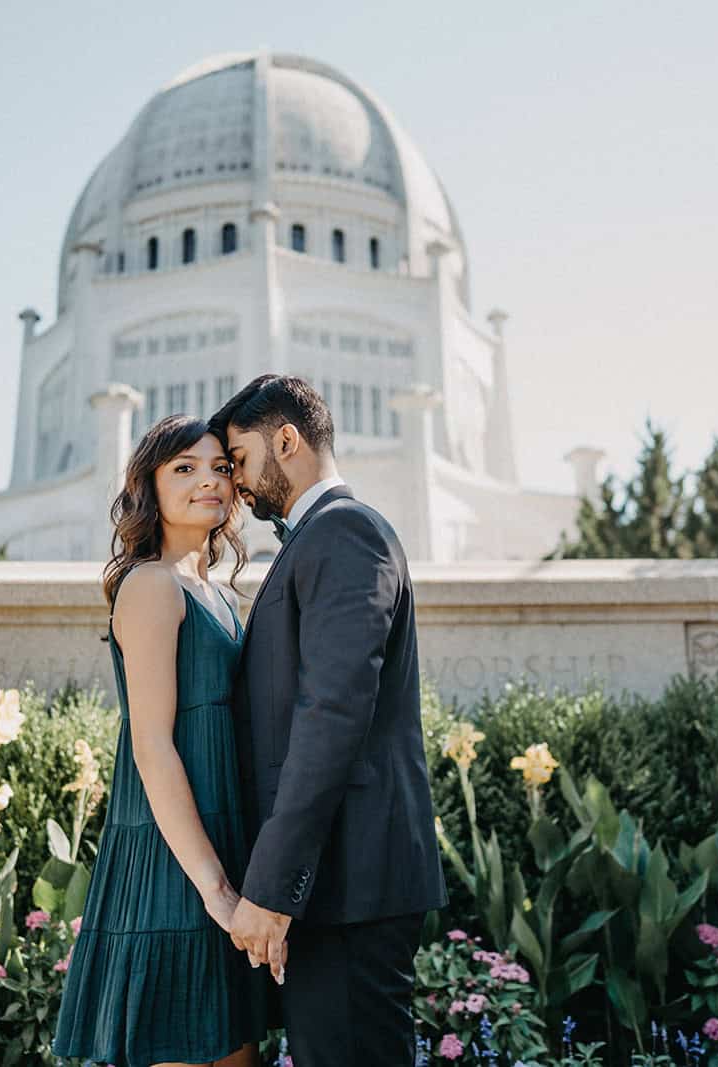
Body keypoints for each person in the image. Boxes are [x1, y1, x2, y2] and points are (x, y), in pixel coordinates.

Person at [208, 375, 448, 1067]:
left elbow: (333, 715)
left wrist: (272, 886)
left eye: (241, 458)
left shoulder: (346, 532)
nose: (238, 486)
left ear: (287, 438)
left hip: (350, 884)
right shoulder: (319, 537)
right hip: (336, 885)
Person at [51, 414, 267, 1067]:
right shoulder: (151, 584)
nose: (210, 479)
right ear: (150, 484)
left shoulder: (219, 593)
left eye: (220, 467)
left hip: (221, 847)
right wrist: (216, 888)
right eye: (185, 467)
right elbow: (152, 746)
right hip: (174, 863)